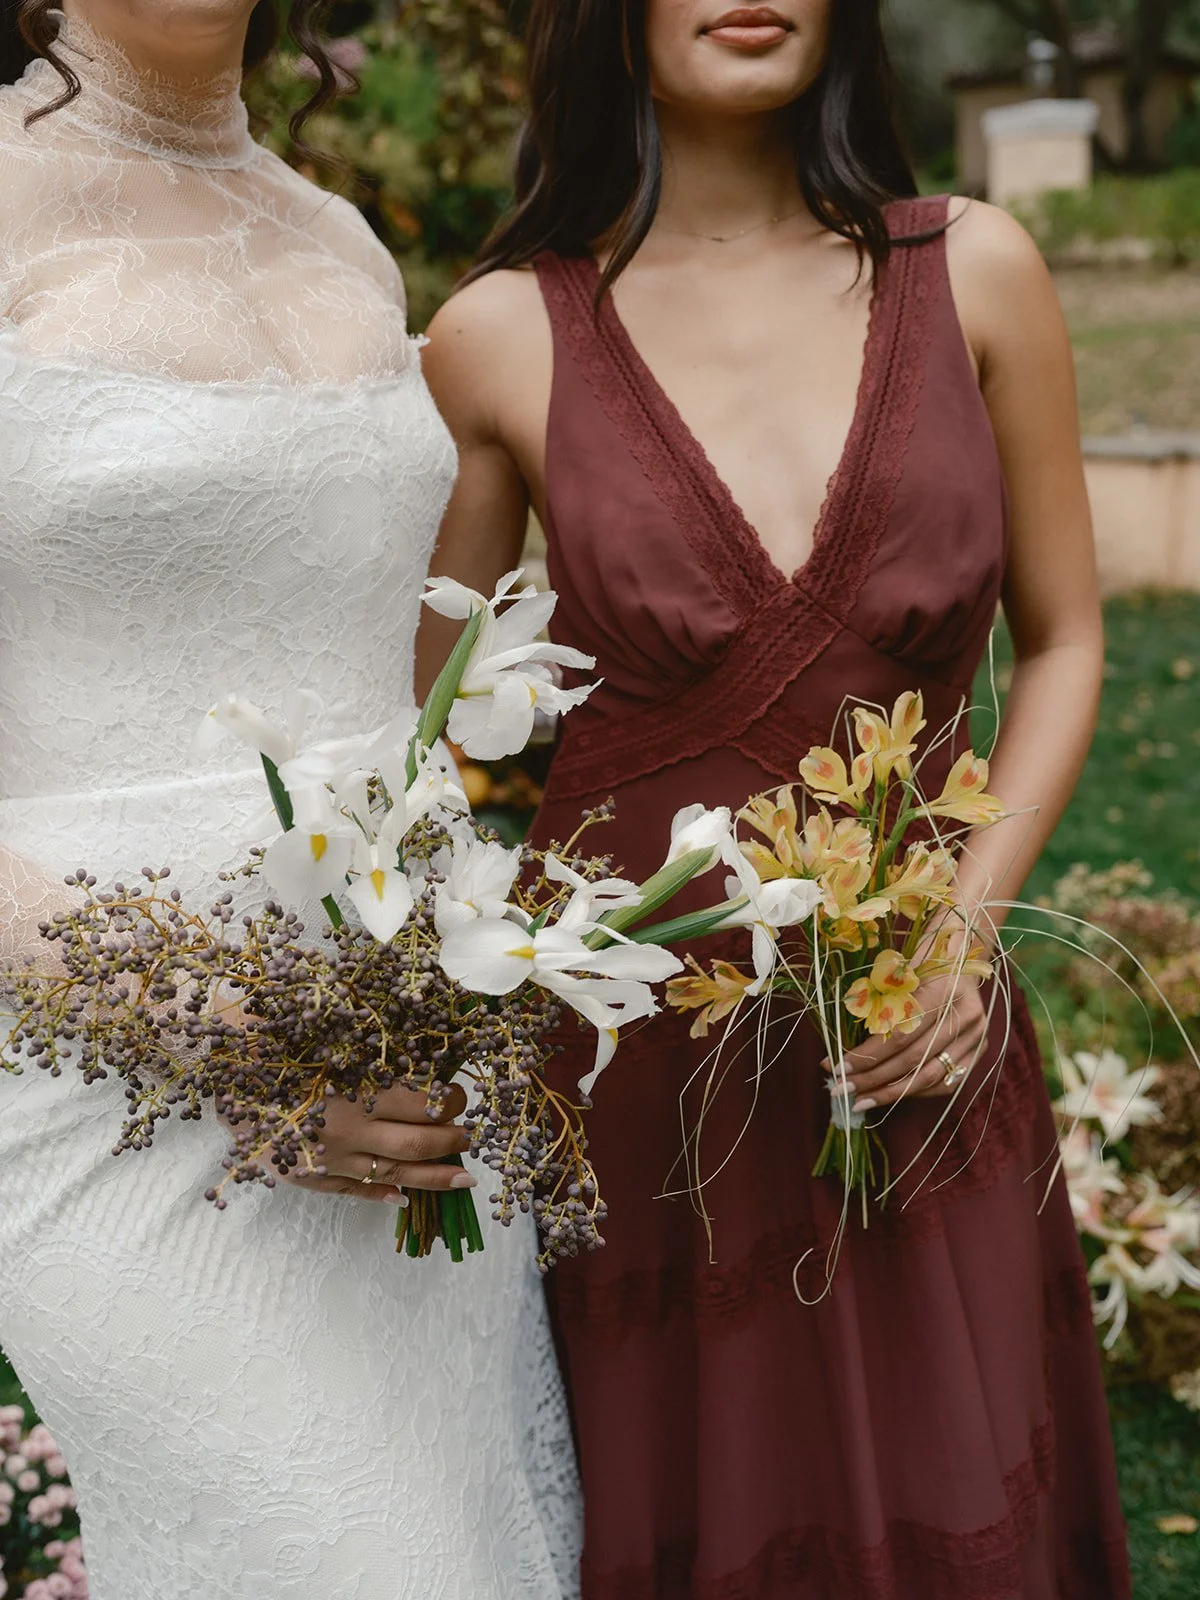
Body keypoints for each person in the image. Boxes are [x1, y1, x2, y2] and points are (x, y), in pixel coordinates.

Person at [415, 1, 1131, 1595]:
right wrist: (495, 968)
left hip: (919, 1034)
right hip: (654, 1073)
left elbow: (1070, 638)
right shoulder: (500, 335)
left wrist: (959, 924)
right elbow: (458, 751)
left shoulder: (976, 273)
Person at [0, 4, 579, 1596]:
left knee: (476, 1545)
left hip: (410, 1058)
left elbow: (385, 681)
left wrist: (429, 991)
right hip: (111, 1081)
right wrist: (239, 1033)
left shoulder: (343, 241)